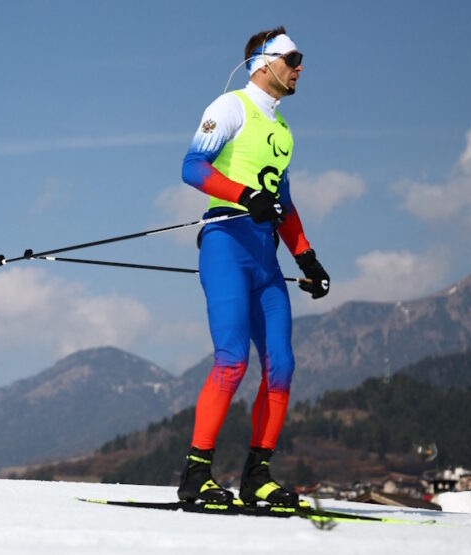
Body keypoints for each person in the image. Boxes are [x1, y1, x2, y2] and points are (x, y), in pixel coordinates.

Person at [176, 27, 330, 507]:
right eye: (292, 58)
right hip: (226, 242)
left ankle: (257, 476)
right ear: (263, 63)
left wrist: (306, 257)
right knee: (232, 359)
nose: (300, 67)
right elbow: (192, 167)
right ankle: (196, 475)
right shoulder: (231, 107)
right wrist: (245, 195)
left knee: (281, 365)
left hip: (266, 256)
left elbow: (284, 202)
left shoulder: (282, 130)